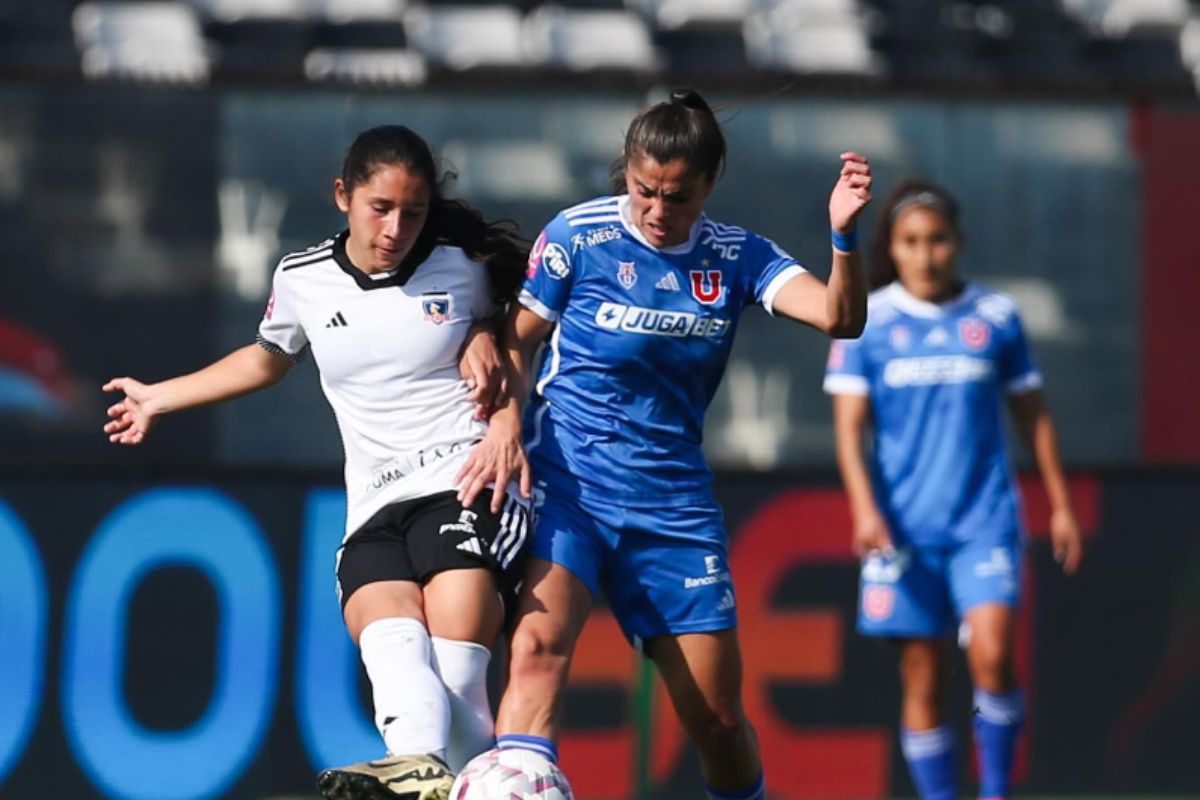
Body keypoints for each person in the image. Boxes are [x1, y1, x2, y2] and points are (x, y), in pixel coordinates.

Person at [456, 88, 873, 800]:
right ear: (627, 170)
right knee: (534, 650)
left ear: (710, 184)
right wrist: (504, 427)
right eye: (643, 189)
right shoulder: (577, 237)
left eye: (675, 197)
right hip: (568, 487)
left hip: (672, 509)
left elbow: (840, 317)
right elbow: (516, 348)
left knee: (713, 719)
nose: (655, 209)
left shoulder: (739, 256)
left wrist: (842, 236)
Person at [102, 125, 532, 800]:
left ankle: (422, 767)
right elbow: (268, 359)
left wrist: (490, 345)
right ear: (343, 196)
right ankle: (420, 770)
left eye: (413, 212)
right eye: (380, 208)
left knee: (455, 672)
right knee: (391, 643)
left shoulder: (465, 265)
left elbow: (528, 325)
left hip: (465, 483)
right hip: (374, 507)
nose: (396, 227)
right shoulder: (303, 279)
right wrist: (160, 396)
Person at [823, 179, 1085, 800]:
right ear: (894, 246)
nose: (926, 253)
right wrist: (863, 510)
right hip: (903, 531)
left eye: (937, 240)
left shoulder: (994, 317)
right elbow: (848, 432)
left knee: (993, 657)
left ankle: (996, 791)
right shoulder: (868, 320)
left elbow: (1033, 417)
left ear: (957, 243)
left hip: (983, 524)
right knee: (923, 678)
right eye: (911, 241)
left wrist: (1064, 505)